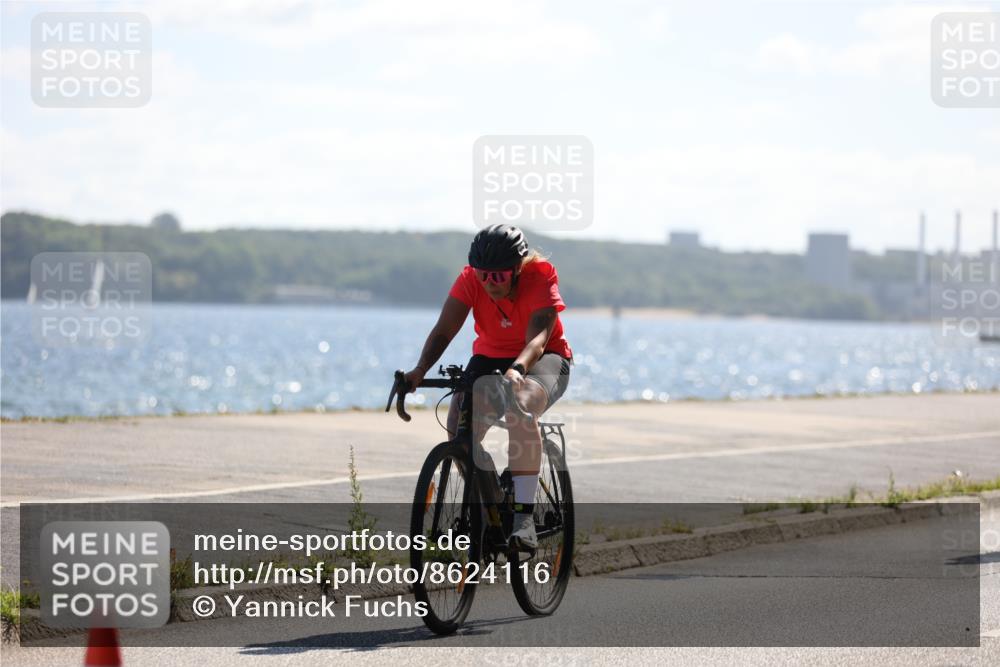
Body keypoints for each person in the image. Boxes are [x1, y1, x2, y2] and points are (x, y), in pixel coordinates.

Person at [402, 224, 573, 551]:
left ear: (518, 269)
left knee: (520, 410)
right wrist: (419, 370)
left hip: (544, 358)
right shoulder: (470, 280)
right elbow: (444, 330)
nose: (490, 283)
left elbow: (538, 339)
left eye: (499, 276)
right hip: (490, 356)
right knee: (458, 430)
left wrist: (518, 370)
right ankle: (492, 504)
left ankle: (523, 518)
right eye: (484, 276)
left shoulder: (539, 276)